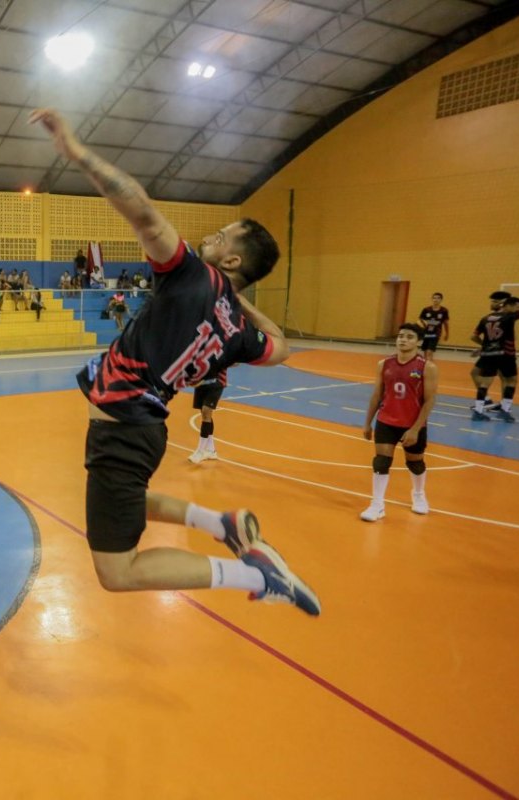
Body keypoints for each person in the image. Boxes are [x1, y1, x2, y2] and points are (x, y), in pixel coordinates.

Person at [31, 107, 320, 616]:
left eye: (222, 237)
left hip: (125, 428)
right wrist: (238, 296)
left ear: (230, 260)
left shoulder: (189, 273)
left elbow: (140, 209)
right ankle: (222, 525)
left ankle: (253, 575)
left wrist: (76, 152)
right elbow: (283, 346)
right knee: (126, 504)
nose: (210, 236)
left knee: (117, 571)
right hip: (142, 429)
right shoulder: (241, 334)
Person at [360, 324, 438, 520]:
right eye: (401, 335)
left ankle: (418, 495)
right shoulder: (384, 364)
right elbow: (377, 395)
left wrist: (415, 429)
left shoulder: (426, 367)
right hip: (386, 420)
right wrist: (367, 422)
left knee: (415, 463)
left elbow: (430, 400)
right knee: (381, 461)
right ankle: (377, 505)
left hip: (412, 424)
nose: (403, 339)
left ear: (419, 342)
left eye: (409, 337)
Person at [470, 293, 519, 422]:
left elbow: (474, 336)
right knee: (510, 380)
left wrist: (485, 346)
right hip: (505, 354)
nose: (518, 309)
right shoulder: (509, 317)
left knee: (486, 382)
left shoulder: (486, 318)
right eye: (516, 306)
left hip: (489, 353)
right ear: (508, 305)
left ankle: (479, 410)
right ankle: (505, 410)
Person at [188, 370, 227, 464]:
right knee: (205, 413)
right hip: (201, 382)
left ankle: (200, 451)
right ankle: (211, 450)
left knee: (206, 411)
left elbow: (234, 360)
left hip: (216, 382)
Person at [416, 292, 449, 361]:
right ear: (432, 299)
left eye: (438, 298)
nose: (436, 299)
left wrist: (447, 333)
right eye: (434, 298)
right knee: (425, 351)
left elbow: (445, 323)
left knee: (429, 351)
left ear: (441, 300)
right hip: (426, 333)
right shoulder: (426, 309)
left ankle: (430, 367)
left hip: (436, 333)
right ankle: (426, 366)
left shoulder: (444, 310)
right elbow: (420, 320)